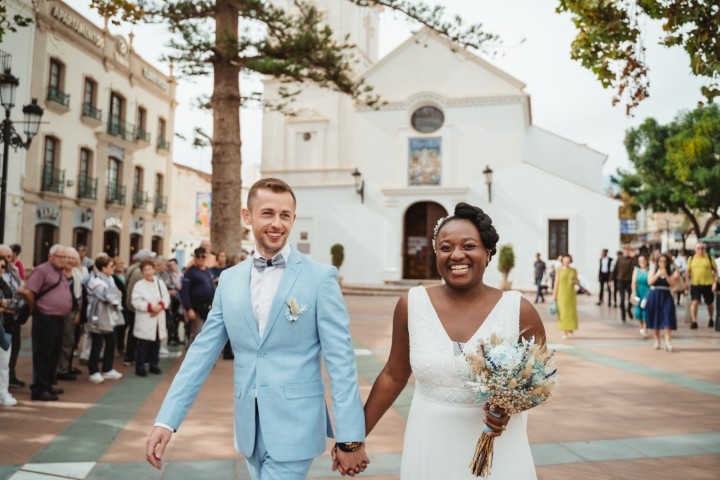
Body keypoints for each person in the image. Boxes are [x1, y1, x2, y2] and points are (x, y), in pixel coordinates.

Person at [145, 178, 368, 479]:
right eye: (267, 213)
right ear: (247, 216)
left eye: (285, 215)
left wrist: (351, 438)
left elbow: (342, 363)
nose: (277, 223)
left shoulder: (320, 278)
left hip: (296, 427)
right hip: (248, 429)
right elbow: (201, 353)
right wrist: (166, 421)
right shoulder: (230, 279)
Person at [362, 202, 544, 479]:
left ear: (488, 252)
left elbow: (539, 383)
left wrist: (509, 408)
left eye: (468, 246)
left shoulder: (519, 310)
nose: (456, 255)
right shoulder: (412, 304)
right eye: (445, 248)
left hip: (498, 450)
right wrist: (353, 438)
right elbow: (393, 374)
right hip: (430, 445)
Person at [18, 244, 73, 401]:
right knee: (43, 354)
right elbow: (29, 291)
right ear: (51, 257)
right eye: (61, 257)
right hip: (45, 318)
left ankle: (48, 384)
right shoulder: (42, 270)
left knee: (54, 353)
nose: (64, 260)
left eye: (65, 257)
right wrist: (34, 307)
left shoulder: (60, 272)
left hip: (58, 318)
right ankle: (39, 389)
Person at [86, 255, 124, 383]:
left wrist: (114, 294)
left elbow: (118, 294)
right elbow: (107, 297)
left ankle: (107, 369)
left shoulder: (110, 279)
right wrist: (114, 294)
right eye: (111, 266)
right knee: (97, 344)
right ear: (103, 268)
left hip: (109, 316)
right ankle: (93, 371)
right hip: (97, 315)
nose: (114, 268)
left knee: (111, 342)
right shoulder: (95, 280)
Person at [132, 257, 170, 377]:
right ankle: (140, 366)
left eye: (150, 269)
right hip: (146, 318)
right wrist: (149, 307)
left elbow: (166, 296)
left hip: (158, 317)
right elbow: (135, 301)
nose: (148, 272)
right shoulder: (139, 285)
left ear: (154, 270)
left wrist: (160, 306)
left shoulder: (159, 283)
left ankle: (154, 364)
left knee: (155, 344)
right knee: (143, 344)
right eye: (145, 270)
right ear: (142, 272)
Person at [55, 248, 84, 382]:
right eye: (67, 257)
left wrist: (79, 313)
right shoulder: (57, 272)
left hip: (72, 311)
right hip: (56, 311)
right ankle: (59, 368)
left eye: (72, 258)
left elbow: (80, 295)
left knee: (69, 341)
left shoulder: (78, 273)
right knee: (56, 341)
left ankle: (64, 368)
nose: (69, 260)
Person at [179, 247, 216, 347]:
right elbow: (184, 292)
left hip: (208, 306)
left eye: (203, 256)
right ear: (194, 257)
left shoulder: (208, 271)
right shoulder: (190, 272)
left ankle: (205, 360)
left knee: (207, 334)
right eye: (198, 256)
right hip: (196, 307)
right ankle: (191, 360)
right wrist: (189, 308)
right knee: (196, 335)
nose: (200, 258)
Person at [0, 244, 25, 388]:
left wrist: (9, 304)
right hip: (2, 319)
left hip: (13, 317)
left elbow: (21, 290)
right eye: (3, 257)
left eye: (9, 257)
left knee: (13, 347)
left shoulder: (14, 270)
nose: (7, 260)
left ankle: (10, 377)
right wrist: (8, 304)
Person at [645, 253, 680, 351]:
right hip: (655, 295)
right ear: (658, 262)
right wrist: (658, 274)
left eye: (664, 261)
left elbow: (673, 284)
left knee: (667, 316)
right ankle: (657, 341)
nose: (663, 263)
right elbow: (650, 282)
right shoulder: (653, 270)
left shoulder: (670, 271)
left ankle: (668, 342)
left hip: (666, 295)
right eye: (661, 261)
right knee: (656, 317)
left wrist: (666, 276)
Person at [685, 243, 718, 329]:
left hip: (708, 283)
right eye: (698, 248)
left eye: (702, 248)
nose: (700, 250)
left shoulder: (710, 258)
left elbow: (715, 271)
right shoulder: (691, 259)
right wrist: (687, 282)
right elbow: (687, 272)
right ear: (695, 250)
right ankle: (694, 321)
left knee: (709, 302)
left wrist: (715, 282)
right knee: (695, 301)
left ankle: (711, 318)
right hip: (695, 284)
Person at [0, 259, 18, 406]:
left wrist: (4, 304)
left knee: (4, 363)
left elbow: (15, 303)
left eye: (3, 267)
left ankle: (3, 392)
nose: (1, 269)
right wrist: (5, 304)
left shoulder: (5, 284)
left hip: (5, 327)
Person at [553, 253, 579, 340]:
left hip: (571, 295)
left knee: (571, 313)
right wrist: (554, 294)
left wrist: (574, 281)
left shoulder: (573, 270)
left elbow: (577, 281)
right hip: (561, 295)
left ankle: (570, 329)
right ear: (562, 260)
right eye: (565, 259)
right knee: (563, 313)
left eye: (568, 259)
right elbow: (556, 282)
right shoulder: (559, 270)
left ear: (570, 260)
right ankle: (565, 332)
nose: (567, 260)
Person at [613, 245, 636, 322]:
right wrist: (610, 280)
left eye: (628, 250)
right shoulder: (619, 259)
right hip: (621, 281)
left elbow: (636, 267)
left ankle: (629, 309)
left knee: (630, 298)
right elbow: (615, 269)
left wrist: (634, 257)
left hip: (629, 281)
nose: (627, 251)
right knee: (622, 299)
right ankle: (623, 315)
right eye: (626, 250)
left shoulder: (632, 259)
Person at [631, 255, 650, 338]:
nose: (641, 263)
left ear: (646, 261)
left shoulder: (650, 270)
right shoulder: (636, 270)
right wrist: (633, 292)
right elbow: (633, 282)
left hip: (647, 292)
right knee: (638, 313)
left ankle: (645, 329)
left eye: (643, 260)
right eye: (640, 261)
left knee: (646, 311)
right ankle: (642, 326)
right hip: (639, 292)